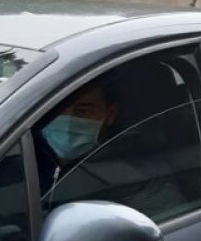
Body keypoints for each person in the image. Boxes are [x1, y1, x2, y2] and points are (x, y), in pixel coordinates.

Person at [35, 79, 186, 219]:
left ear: (110, 114)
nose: (67, 122)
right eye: (57, 111)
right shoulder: (28, 155)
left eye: (82, 111)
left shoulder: (139, 177)